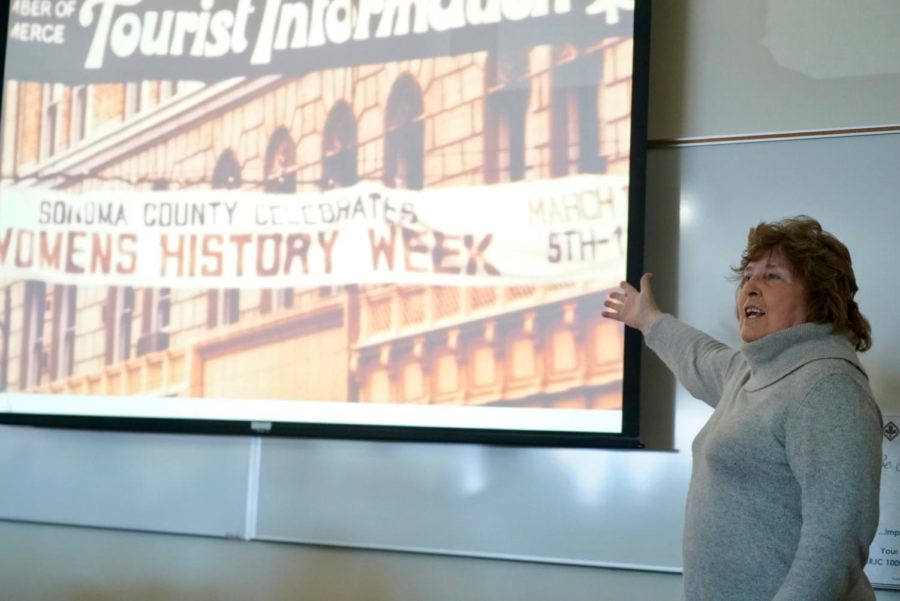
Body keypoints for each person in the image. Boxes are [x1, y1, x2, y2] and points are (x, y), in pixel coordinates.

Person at [603, 216, 882, 601]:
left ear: (818, 298)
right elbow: (701, 356)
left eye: (772, 277)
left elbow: (837, 540)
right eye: (747, 276)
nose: (750, 287)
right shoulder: (753, 373)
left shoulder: (826, 386)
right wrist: (648, 320)